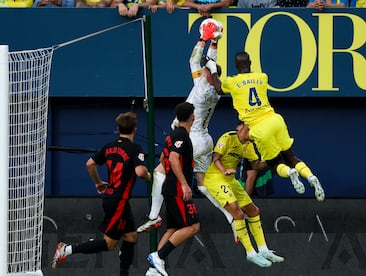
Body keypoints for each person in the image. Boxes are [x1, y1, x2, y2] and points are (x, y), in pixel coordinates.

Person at [137, 20, 234, 235]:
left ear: (207, 75)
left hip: (193, 139)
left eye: (206, 71)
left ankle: (154, 215)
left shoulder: (202, 87)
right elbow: (210, 67)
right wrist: (216, 43)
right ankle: (229, 215)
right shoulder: (213, 87)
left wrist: (204, 39)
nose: (203, 71)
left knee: (160, 171)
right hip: (206, 139)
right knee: (202, 184)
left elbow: (193, 59)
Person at [208, 51, 325, 202]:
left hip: (259, 127)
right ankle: (310, 175)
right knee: (291, 157)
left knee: (275, 163)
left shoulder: (232, 82)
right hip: (275, 119)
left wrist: (212, 69)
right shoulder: (262, 77)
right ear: (250, 63)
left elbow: (218, 88)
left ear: (236, 66)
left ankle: (290, 173)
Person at [51, 111, 151, 276]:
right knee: (109, 244)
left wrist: (98, 182)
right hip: (118, 201)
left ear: (118, 129)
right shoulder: (135, 148)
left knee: (131, 236)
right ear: (135, 130)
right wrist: (149, 177)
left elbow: (90, 163)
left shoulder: (109, 146)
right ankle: (66, 249)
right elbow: (140, 172)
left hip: (115, 199)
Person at [204, 121, 284, 268]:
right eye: (254, 132)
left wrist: (271, 159)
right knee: (237, 213)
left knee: (254, 210)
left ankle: (263, 250)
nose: (256, 136)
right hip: (215, 179)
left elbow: (256, 166)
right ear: (247, 129)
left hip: (231, 180)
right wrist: (224, 171)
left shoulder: (248, 146)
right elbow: (215, 157)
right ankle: (250, 253)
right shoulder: (228, 137)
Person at [147, 102, 200, 276]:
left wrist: (171, 175)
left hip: (170, 186)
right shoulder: (181, 135)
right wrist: (183, 183)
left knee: (172, 229)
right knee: (193, 226)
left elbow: (164, 157)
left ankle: (154, 270)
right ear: (193, 117)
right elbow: (173, 158)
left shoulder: (173, 135)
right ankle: (159, 256)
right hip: (177, 188)